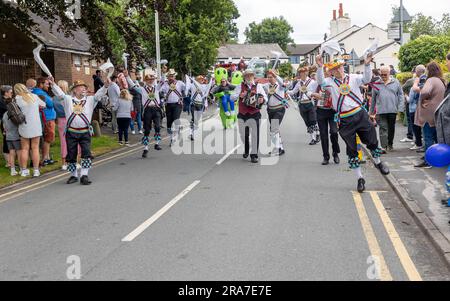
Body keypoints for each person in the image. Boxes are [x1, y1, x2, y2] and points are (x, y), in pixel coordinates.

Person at [316, 53, 390, 193]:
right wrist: (320, 67)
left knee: (373, 141)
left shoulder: (354, 78)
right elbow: (320, 82)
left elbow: (367, 79)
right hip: (344, 119)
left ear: (344, 67)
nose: (339, 70)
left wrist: (367, 64)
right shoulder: (330, 83)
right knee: (352, 150)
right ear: (330, 72)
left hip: (360, 114)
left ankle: (379, 163)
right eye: (335, 69)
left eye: (340, 67)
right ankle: (360, 178)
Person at [50, 77, 110, 185]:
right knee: (71, 154)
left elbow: (99, 95)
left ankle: (84, 175)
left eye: (84, 87)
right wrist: (53, 84)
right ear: (74, 90)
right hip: (71, 132)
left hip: (85, 132)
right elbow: (59, 94)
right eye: (79, 87)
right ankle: (73, 175)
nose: (83, 89)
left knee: (86, 153)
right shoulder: (67, 100)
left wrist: (105, 86)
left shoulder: (91, 100)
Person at [413, 62, 446, 168]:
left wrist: (417, 88)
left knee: (428, 137)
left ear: (429, 70)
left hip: (428, 113)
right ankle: (440, 159)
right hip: (438, 112)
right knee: (437, 137)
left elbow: (424, 91)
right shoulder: (441, 81)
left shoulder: (430, 80)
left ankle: (428, 161)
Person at [231, 69, 268, 163]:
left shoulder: (258, 86)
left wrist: (262, 100)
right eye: (247, 75)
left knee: (255, 135)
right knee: (244, 135)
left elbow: (265, 98)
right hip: (243, 114)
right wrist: (240, 95)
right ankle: (247, 149)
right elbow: (232, 98)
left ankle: (254, 155)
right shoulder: (240, 86)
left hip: (255, 113)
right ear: (244, 77)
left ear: (253, 76)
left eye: (250, 75)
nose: (249, 77)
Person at [369, 66, 404, 152]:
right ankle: (384, 146)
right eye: (382, 75)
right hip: (381, 111)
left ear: (389, 73)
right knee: (383, 128)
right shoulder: (376, 84)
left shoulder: (395, 82)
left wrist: (400, 108)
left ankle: (390, 144)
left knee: (391, 128)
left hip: (392, 110)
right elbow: (373, 99)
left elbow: (400, 95)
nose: (383, 76)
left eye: (385, 74)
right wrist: (371, 112)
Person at [15, 83, 46, 177]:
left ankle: (24, 170)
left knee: (24, 149)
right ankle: (36, 170)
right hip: (35, 125)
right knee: (35, 148)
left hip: (24, 125)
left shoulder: (17, 99)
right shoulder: (34, 96)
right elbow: (44, 105)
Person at [288, 66, 320, 145]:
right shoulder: (299, 83)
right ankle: (313, 137)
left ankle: (317, 134)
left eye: (303, 72)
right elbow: (293, 92)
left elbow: (319, 88)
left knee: (313, 120)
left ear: (306, 73)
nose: (301, 74)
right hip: (301, 104)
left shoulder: (312, 82)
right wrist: (286, 90)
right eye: (300, 73)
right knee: (307, 122)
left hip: (310, 103)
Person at [315, 68, 340, 165]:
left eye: (329, 72)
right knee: (323, 135)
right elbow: (308, 92)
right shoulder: (318, 84)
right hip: (321, 111)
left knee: (334, 132)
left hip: (332, 112)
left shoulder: (335, 83)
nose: (327, 74)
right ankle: (326, 156)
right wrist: (313, 94)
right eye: (325, 73)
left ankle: (335, 153)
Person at [261, 69, 288, 156]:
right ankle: (281, 148)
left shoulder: (280, 85)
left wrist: (275, 75)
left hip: (279, 109)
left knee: (274, 128)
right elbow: (257, 86)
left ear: (275, 77)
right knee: (273, 129)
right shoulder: (266, 86)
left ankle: (277, 148)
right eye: (268, 77)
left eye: (271, 77)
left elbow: (282, 82)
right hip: (270, 110)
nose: (269, 78)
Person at [33, 77, 56, 166]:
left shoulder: (35, 92)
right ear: (41, 84)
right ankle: (45, 158)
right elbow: (51, 104)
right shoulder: (40, 93)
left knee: (46, 139)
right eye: (46, 84)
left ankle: (46, 157)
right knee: (47, 139)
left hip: (45, 118)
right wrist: (51, 99)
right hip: (48, 118)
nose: (48, 86)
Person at [160, 69, 186, 146]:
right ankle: (172, 137)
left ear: (174, 76)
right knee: (169, 123)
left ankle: (174, 138)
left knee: (175, 119)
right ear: (167, 77)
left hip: (177, 104)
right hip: (168, 105)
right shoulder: (165, 84)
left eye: (172, 76)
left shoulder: (180, 83)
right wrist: (162, 96)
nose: (171, 78)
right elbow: (160, 90)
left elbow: (186, 89)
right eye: (169, 76)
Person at [140, 72, 163, 158]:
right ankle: (145, 148)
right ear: (145, 80)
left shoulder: (156, 88)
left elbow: (162, 81)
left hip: (156, 109)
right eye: (149, 80)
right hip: (147, 110)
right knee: (147, 129)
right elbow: (132, 85)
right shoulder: (142, 89)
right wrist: (127, 76)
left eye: (152, 80)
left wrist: (163, 72)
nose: (151, 81)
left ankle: (156, 144)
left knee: (157, 126)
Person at [186, 75, 213, 141]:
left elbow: (205, 96)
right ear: (197, 80)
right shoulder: (192, 85)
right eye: (200, 79)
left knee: (197, 120)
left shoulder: (204, 86)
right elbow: (187, 87)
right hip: (193, 104)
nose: (201, 80)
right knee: (194, 118)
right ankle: (191, 133)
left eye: (202, 79)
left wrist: (206, 105)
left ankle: (192, 132)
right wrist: (188, 80)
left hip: (200, 105)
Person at [53, 80, 72, 171]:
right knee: (73, 141)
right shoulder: (68, 97)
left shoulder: (54, 98)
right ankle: (73, 161)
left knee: (63, 141)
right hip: (69, 120)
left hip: (60, 120)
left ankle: (64, 163)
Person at [407, 65, 426, 151]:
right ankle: (419, 142)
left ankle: (418, 143)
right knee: (421, 128)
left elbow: (410, 100)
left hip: (413, 108)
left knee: (416, 127)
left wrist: (405, 97)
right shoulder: (426, 81)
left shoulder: (414, 87)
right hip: (422, 107)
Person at [2, 97, 22, 176]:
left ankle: (12, 170)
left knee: (11, 153)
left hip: (8, 136)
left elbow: (3, 126)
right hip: (15, 135)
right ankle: (21, 169)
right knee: (19, 152)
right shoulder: (13, 113)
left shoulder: (4, 114)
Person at [1, 85, 10, 167]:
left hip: (9, 123)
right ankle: (8, 163)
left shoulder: (7, 100)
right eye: (11, 92)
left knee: (9, 141)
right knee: (6, 141)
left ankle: (11, 161)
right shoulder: (2, 101)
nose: (12, 93)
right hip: (4, 123)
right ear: (6, 92)